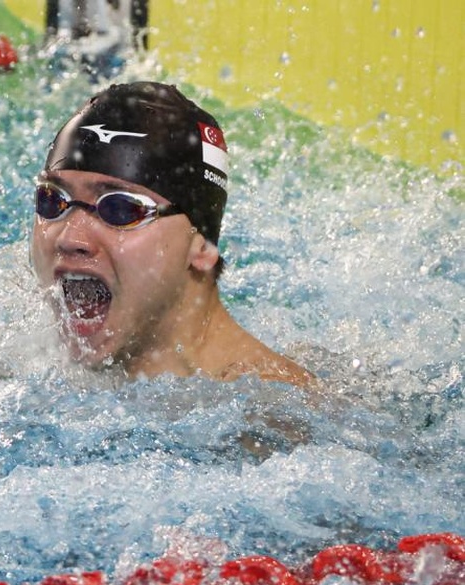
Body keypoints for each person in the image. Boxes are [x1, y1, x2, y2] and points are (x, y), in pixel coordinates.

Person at [30, 81, 313, 386]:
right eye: (53, 200)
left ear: (201, 245)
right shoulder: (28, 364)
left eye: (121, 209)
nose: (70, 239)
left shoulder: (270, 408)